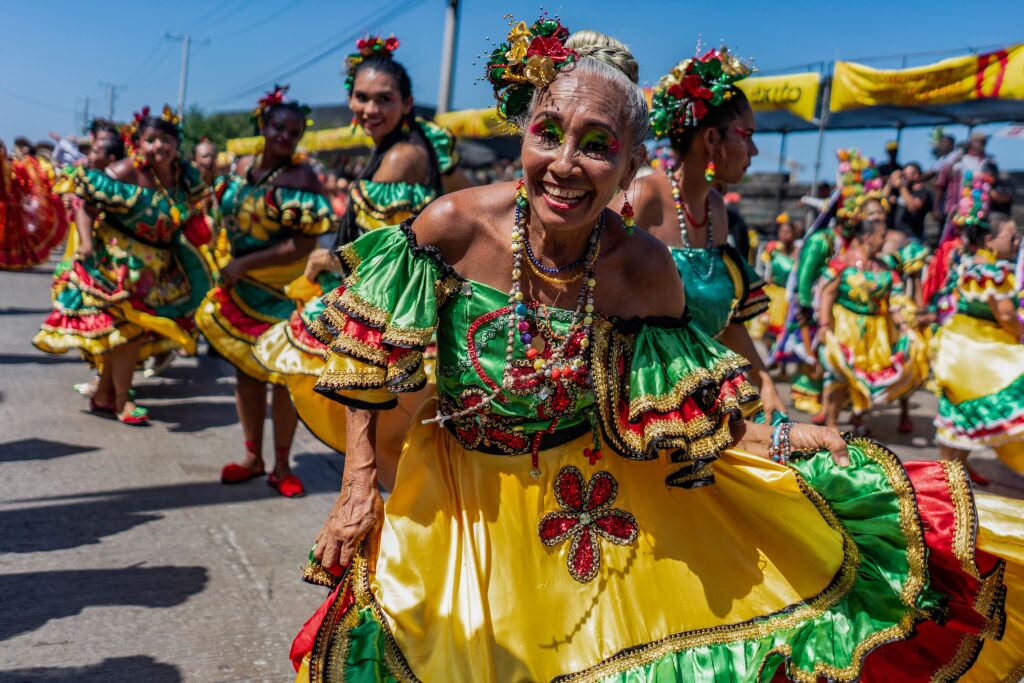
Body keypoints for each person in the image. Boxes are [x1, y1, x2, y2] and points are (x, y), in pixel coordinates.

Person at [289, 19, 1024, 681]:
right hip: (455, 500)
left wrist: (779, 433)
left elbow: (687, 410)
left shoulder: (642, 270)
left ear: (632, 160)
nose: (566, 164)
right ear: (522, 132)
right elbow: (368, 356)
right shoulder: (452, 226)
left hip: (589, 503)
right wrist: (357, 489)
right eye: (548, 132)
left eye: (598, 144)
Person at [252, 36, 461, 488]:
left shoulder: (401, 157)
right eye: (362, 97)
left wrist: (327, 259)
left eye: (384, 99)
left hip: (401, 318)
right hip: (412, 311)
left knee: (390, 454)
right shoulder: (403, 145)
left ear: (406, 103)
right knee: (398, 450)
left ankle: (392, 550)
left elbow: (385, 253)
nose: (370, 108)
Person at [624, 46, 786, 422]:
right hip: (648, 406)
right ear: (712, 139)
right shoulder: (643, 199)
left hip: (707, 394)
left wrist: (765, 382)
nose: (754, 150)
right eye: (746, 135)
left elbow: (727, 323)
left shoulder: (717, 211)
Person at [34, 106, 213, 424]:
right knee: (127, 332)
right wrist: (86, 243)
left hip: (157, 268)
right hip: (116, 266)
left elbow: (193, 216)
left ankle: (105, 394)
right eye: (152, 140)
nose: (159, 146)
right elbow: (87, 207)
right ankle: (120, 401)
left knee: (128, 333)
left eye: (166, 139)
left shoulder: (184, 177)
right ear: (138, 143)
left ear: (177, 144)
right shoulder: (124, 171)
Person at [194, 87, 332, 498]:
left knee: (282, 378)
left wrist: (244, 264)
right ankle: (253, 457)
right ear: (263, 126)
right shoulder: (239, 168)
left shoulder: (302, 178)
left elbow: (305, 244)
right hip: (241, 290)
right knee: (247, 373)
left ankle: (282, 465)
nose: (286, 137)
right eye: (279, 128)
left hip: (283, 292)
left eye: (294, 131)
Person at [817, 153, 927, 431]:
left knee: (865, 377)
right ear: (866, 237)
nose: (885, 241)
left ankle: (858, 422)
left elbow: (894, 301)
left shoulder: (886, 267)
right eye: (880, 238)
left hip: (876, 329)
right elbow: (827, 292)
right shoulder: (842, 262)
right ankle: (830, 424)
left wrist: (905, 327)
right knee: (839, 376)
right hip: (845, 326)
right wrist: (824, 325)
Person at [932, 175, 1024, 479]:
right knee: (984, 403)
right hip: (975, 348)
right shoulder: (993, 271)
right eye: (1011, 235)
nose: (1017, 240)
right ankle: (946, 474)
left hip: (963, 344)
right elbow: (1008, 316)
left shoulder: (972, 263)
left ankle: (953, 470)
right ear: (989, 240)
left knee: (963, 412)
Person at [0, 139, 69, 270]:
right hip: (10, 205)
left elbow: (28, 182)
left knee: (12, 237)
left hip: (12, 206)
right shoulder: (17, 164)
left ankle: (11, 260)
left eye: (2, 148)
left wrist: (26, 195)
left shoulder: (18, 165)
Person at [758, 213, 798, 347]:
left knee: (784, 330)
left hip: (788, 295)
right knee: (768, 328)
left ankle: (781, 359)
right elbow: (768, 271)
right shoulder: (773, 250)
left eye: (788, 232)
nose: (784, 235)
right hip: (773, 293)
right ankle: (770, 354)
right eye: (782, 232)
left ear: (794, 234)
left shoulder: (798, 253)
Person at [887, 162, 933, 242]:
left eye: (906, 175)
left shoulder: (922, 191)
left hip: (912, 238)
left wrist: (901, 187)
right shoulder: (904, 190)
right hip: (897, 238)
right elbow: (882, 199)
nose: (903, 178)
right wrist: (891, 180)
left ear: (916, 175)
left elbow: (913, 207)